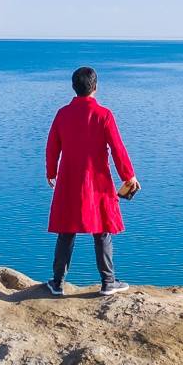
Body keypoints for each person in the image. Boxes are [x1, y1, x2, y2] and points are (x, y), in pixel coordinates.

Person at [44, 65, 140, 296]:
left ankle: (57, 283)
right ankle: (108, 283)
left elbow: (52, 146)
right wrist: (129, 176)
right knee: (103, 230)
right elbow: (118, 149)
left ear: (74, 88)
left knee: (66, 231)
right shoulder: (104, 115)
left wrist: (51, 172)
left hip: (69, 179)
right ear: (95, 87)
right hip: (97, 180)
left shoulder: (62, 114)